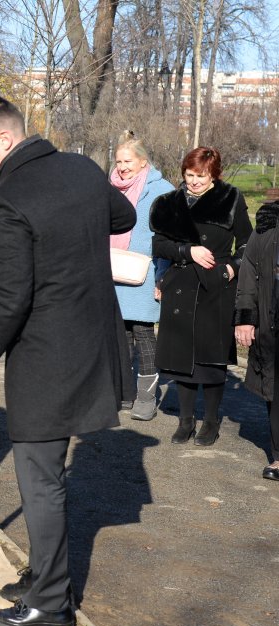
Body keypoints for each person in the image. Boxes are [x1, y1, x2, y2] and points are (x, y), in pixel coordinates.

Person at [0, 96, 135, 626]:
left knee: (39, 480)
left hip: (44, 357)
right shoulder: (81, 168)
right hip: (94, 343)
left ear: (5, 141)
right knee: (46, 477)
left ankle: (51, 603)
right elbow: (123, 215)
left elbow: (11, 296)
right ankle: (42, 575)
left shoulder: (7, 198)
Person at [150, 146, 251, 447]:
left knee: (211, 358)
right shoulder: (170, 202)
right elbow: (160, 245)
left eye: (201, 176)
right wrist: (187, 250)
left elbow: (247, 242)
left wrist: (232, 268)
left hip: (216, 286)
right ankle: (185, 420)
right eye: (189, 175)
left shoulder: (231, 199)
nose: (193, 182)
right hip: (180, 284)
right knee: (181, 357)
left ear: (214, 175)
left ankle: (210, 420)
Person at [108, 133, 174, 420]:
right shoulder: (111, 187)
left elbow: (168, 237)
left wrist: (163, 275)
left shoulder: (162, 191)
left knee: (143, 333)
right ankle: (124, 392)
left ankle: (146, 398)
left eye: (128, 161)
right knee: (119, 335)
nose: (122, 167)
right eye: (119, 161)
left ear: (143, 161)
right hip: (112, 270)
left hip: (146, 273)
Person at [233, 200, 279, 482]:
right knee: (275, 391)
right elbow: (248, 271)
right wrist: (245, 318)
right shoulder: (268, 223)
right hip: (270, 322)